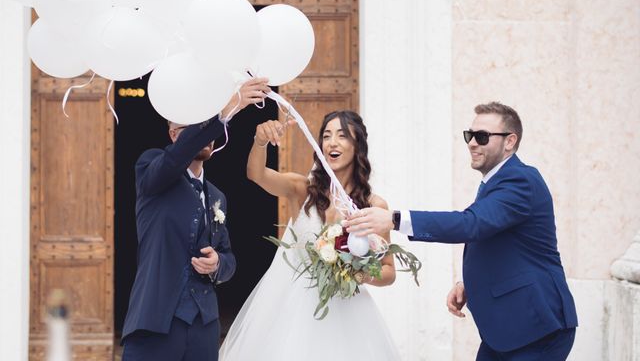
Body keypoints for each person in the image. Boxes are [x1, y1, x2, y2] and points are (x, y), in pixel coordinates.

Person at [344, 102, 578, 361]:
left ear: (510, 141)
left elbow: (471, 224)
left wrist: (395, 219)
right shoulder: (497, 181)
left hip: (536, 327)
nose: (472, 143)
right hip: (506, 331)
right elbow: (499, 239)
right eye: (470, 135)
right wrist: (470, 284)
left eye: (482, 137)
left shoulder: (520, 180)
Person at [219, 110, 400, 360]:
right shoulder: (302, 190)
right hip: (294, 308)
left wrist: (355, 272)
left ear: (357, 145)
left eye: (342, 135)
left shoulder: (374, 207)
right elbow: (256, 174)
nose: (332, 142)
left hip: (347, 312)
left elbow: (388, 271)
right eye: (326, 136)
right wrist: (260, 141)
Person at [121, 77, 270, 361]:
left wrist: (217, 264)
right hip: (155, 322)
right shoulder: (152, 170)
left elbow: (229, 259)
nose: (208, 137)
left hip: (204, 326)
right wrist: (225, 111)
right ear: (176, 136)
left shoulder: (217, 197)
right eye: (197, 128)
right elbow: (174, 159)